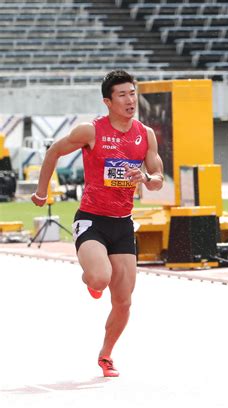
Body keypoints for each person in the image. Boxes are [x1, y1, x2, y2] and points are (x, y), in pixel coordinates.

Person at [31, 70, 164, 377]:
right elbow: (53, 152)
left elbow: (157, 179)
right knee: (100, 278)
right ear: (107, 101)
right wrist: (41, 191)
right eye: (122, 95)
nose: (130, 100)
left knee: (124, 301)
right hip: (92, 220)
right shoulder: (90, 131)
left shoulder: (146, 134)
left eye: (132, 93)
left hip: (122, 224)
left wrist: (145, 177)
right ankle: (92, 279)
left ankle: (106, 354)